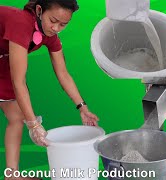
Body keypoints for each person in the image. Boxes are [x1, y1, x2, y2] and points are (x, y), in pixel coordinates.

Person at [0, 0, 99, 179]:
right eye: (53, 20)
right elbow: (18, 81)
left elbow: (63, 74)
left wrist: (82, 108)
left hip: (2, 60)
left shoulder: (49, 34)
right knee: (22, 116)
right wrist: (34, 124)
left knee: (16, 117)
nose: (56, 28)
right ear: (39, 10)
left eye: (63, 24)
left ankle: (12, 175)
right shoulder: (21, 22)